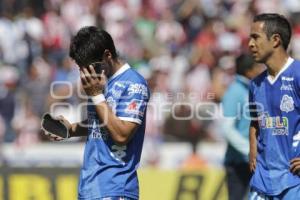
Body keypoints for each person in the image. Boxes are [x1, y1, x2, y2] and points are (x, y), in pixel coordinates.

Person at [44, 26, 150, 200]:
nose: (86, 73)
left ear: (107, 55)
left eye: (90, 66)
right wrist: (72, 129)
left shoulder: (134, 84)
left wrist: (96, 95)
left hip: (115, 188)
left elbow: (122, 134)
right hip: (90, 187)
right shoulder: (101, 82)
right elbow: (101, 124)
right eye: (81, 68)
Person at [248, 13, 300, 199]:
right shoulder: (255, 85)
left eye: (255, 37)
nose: (250, 44)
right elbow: (255, 122)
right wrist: (253, 149)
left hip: (293, 180)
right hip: (262, 180)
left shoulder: (297, 75)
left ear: (275, 40)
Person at [221, 53, 262, 200]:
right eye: (258, 66)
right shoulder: (235, 91)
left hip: (253, 160)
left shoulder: (253, 88)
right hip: (239, 163)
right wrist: (250, 149)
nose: (262, 69)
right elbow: (227, 129)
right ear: (248, 71)